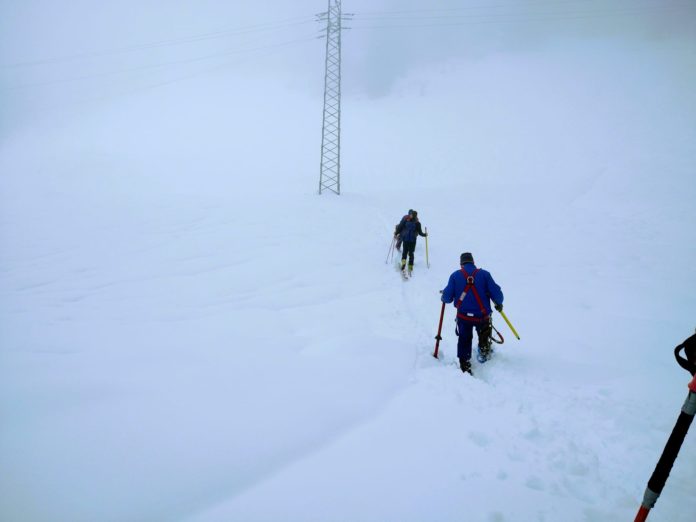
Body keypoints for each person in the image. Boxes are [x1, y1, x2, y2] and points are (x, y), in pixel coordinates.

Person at [441, 252, 504, 375]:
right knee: (484, 335)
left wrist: (444, 296)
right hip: (482, 316)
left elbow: (447, 298)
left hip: (464, 317)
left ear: (461, 264)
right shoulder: (485, 275)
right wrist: (499, 303)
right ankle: (484, 353)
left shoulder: (455, 276)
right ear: (473, 262)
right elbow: (497, 295)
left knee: (464, 338)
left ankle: (464, 364)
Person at [394, 210, 427, 274]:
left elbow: (420, 232)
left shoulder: (415, 223)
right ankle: (406, 264)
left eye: (411, 215)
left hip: (410, 240)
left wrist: (424, 235)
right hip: (407, 240)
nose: (410, 215)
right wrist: (396, 232)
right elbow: (401, 227)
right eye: (410, 214)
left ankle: (409, 265)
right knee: (407, 252)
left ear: (414, 215)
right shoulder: (410, 221)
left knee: (409, 253)